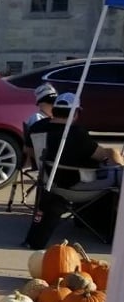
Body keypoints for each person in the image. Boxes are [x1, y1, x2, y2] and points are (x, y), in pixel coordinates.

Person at [22, 92, 124, 249]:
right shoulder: (77, 134)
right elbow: (102, 156)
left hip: (48, 181)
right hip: (76, 185)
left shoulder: (37, 127)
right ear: (75, 113)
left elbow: (28, 150)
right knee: (118, 173)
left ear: (54, 109)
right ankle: (111, 225)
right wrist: (115, 155)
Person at [22, 83, 57, 168]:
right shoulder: (37, 119)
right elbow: (36, 147)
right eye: (50, 102)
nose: (53, 105)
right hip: (42, 157)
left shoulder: (52, 119)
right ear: (40, 104)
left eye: (55, 102)